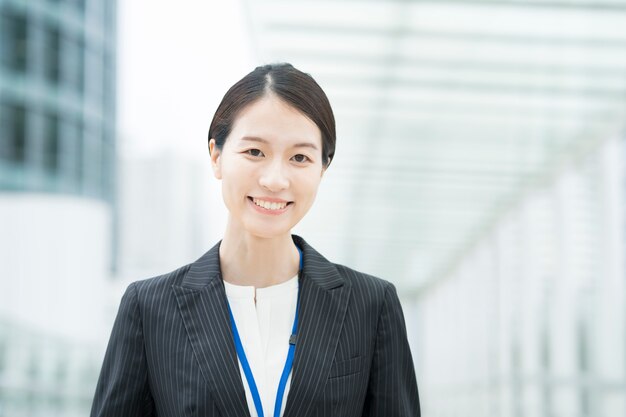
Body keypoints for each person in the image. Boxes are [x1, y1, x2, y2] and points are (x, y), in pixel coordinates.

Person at [90, 63, 420, 417]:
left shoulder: (371, 305)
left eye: (299, 157)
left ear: (322, 169)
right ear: (216, 156)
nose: (275, 179)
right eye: (254, 152)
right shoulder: (149, 309)